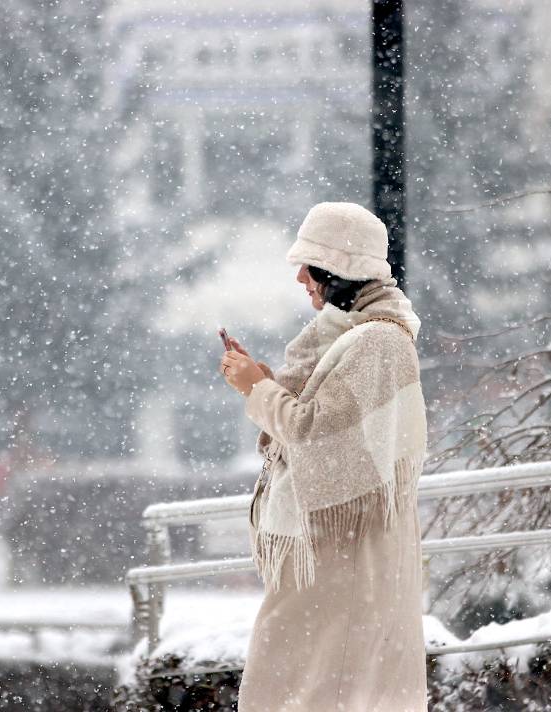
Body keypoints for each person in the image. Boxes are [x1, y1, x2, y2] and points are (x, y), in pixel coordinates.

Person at [220, 201, 429, 711]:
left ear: (340, 270)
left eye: (309, 265)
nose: (299, 278)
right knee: (294, 683)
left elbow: (315, 433)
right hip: (330, 554)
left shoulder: (377, 343)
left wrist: (258, 391)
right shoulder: (353, 338)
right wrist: (265, 386)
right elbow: (320, 427)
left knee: (309, 689)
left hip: (343, 558)